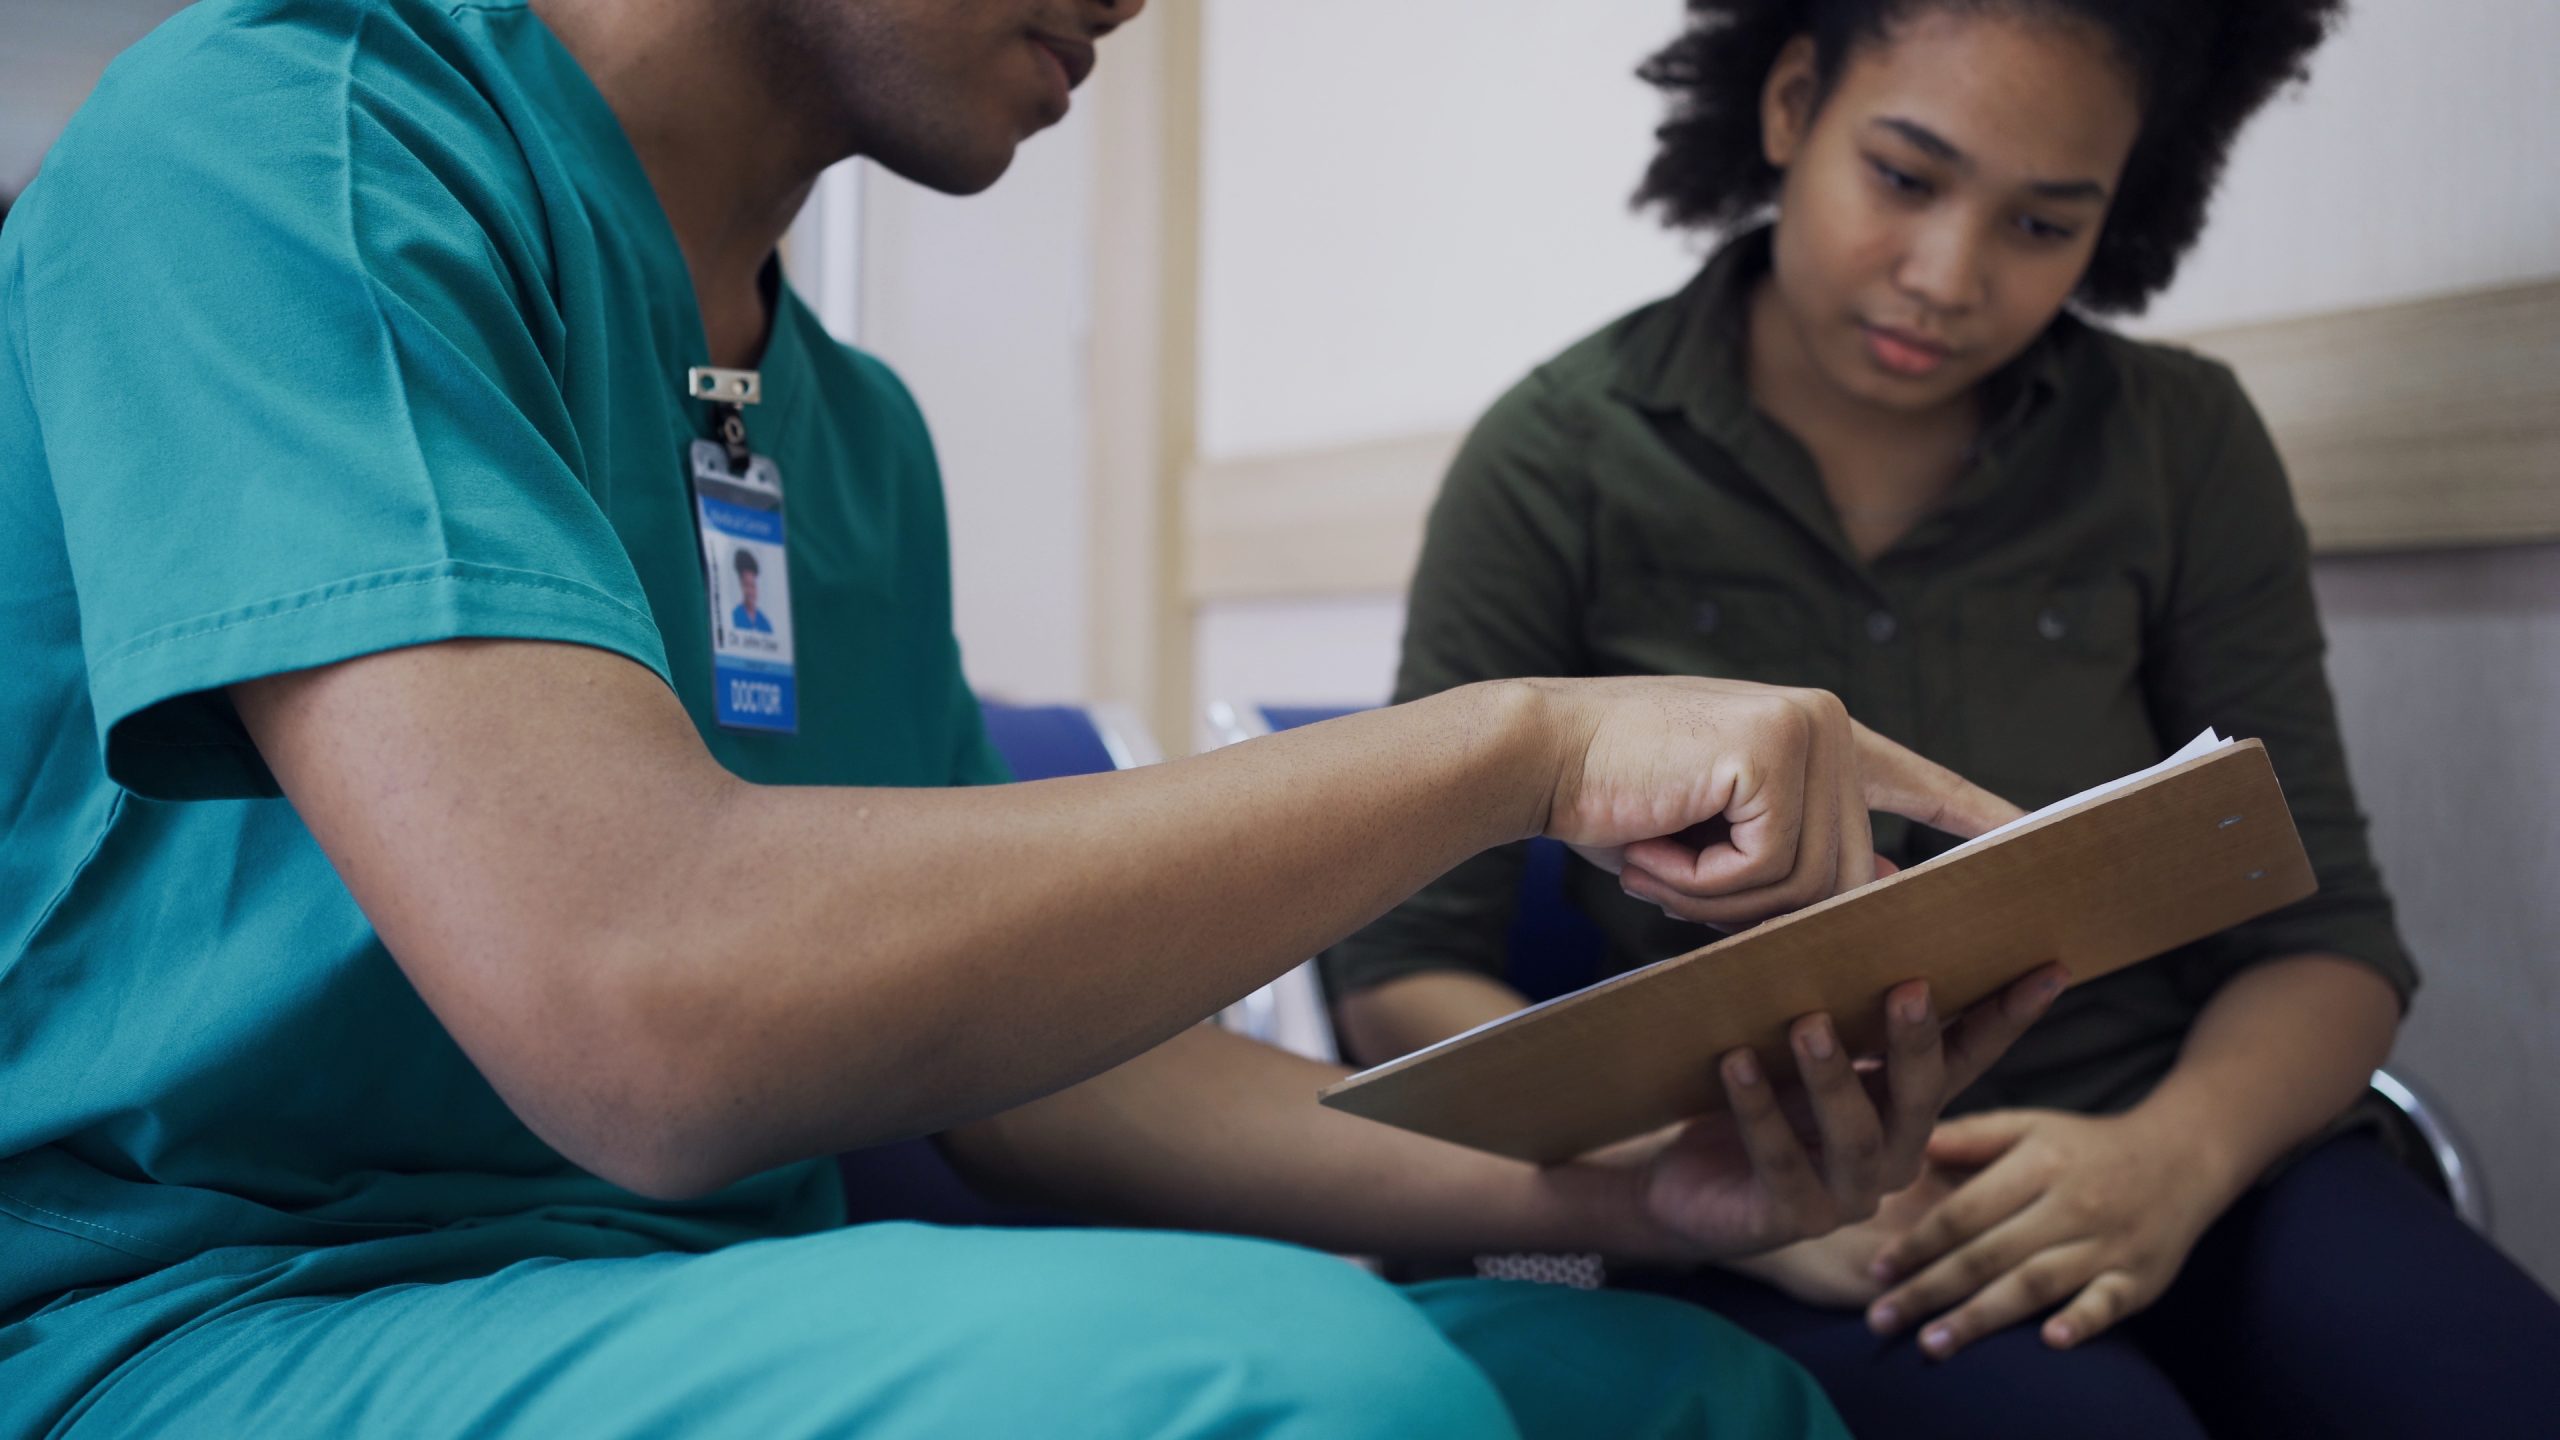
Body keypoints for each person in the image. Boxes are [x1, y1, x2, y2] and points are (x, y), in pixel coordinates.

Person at [0, 1, 2071, 1435]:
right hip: (197, 1320)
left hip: (669, 1292)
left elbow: (1032, 1088)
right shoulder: (286, 148)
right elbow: (643, 1000)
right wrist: (1509, 751)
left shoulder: (853, 440)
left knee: (1691, 1396)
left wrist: (1623, 1197)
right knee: (1296, 1391)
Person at [1325, 1, 2560, 1436]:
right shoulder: (1559, 458)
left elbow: (2328, 942)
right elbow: (1403, 969)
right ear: (1791, 106)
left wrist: (2174, 1156)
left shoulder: (2181, 443)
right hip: (1782, 1210)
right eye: (1905, 179)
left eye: (2044, 225)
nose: (1947, 275)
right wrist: (1718, 1186)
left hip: (2185, 1151)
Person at [730, 547, 775, 632]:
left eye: (753, 586)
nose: (750, 591)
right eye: (746, 585)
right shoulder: (734, 616)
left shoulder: (764, 622)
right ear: (741, 585)